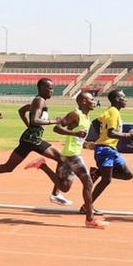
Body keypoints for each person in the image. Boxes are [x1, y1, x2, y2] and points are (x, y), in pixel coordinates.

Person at [0, 78, 64, 208]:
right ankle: (56, 193)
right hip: (33, 140)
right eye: (50, 88)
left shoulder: (40, 102)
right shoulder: (39, 101)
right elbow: (35, 121)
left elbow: (21, 111)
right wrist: (54, 121)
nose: (52, 91)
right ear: (42, 88)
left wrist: (29, 126)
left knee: (8, 167)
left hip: (29, 139)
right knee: (62, 158)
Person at [25, 92, 108, 228]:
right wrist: (74, 133)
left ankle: (42, 165)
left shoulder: (86, 117)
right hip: (72, 155)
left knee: (64, 187)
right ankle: (90, 219)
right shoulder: (75, 114)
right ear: (83, 102)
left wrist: (86, 144)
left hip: (70, 153)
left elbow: (78, 137)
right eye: (91, 99)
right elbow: (57, 128)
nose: (94, 101)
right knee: (88, 183)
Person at [88, 89, 133, 211]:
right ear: (116, 99)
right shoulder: (113, 112)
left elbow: (95, 121)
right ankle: (87, 206)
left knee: (128, 174)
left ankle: (97, 172)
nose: (125, 99)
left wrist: (99, 134)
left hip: (110, 149)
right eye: (123, 97)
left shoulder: (110, 111)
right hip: (105, 150)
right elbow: (111, 133)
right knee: (106, 180)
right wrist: (128, 135)